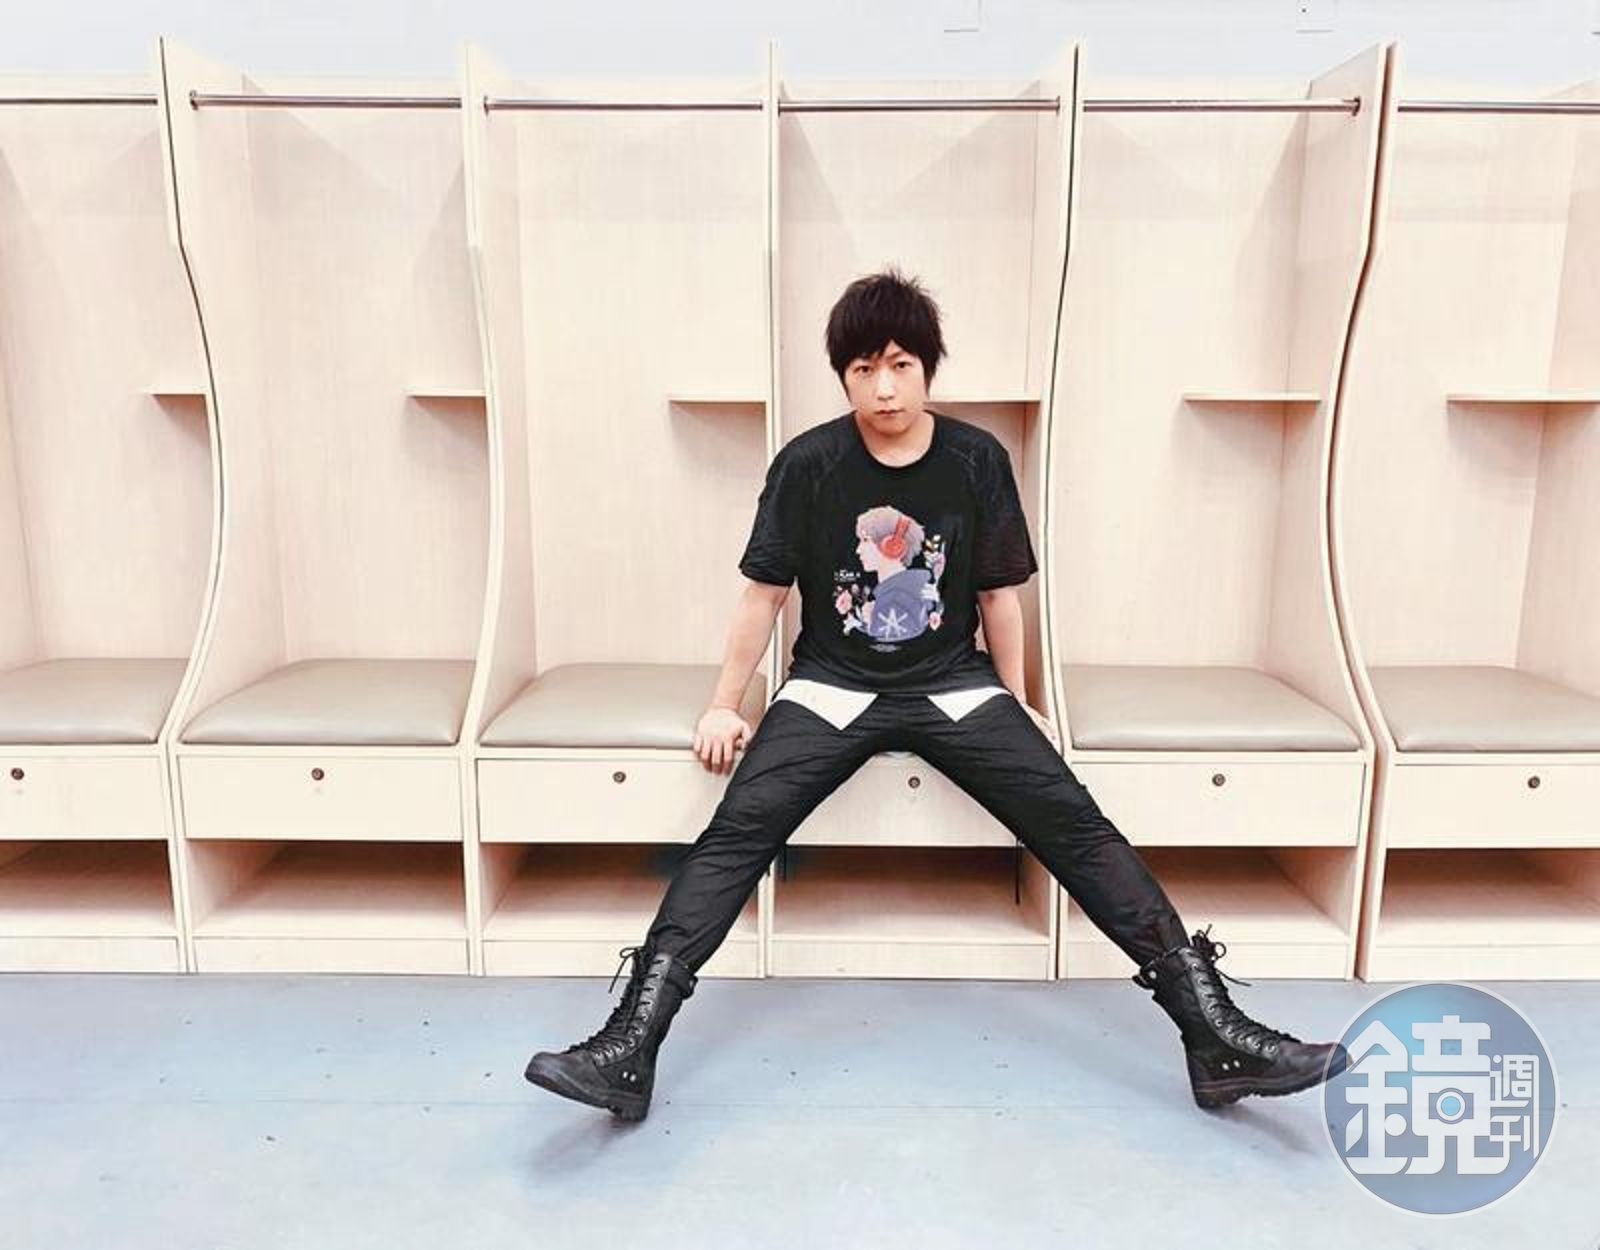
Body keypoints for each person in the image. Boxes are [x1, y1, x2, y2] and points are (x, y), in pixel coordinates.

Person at [524, 269, 1349, 1121]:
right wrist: (725, 704)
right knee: (737, 832)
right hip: (831, 685)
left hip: (953, 683)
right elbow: (763, 597)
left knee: (1076, 824)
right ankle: (629, 1047)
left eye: (900, 366)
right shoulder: (808, 463)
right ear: (843, 377)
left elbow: (998, 596)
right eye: (863, 370)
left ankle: (1215, 1035)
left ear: (927, 368)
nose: (884, 387)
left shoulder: (975, 460)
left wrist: (1018, 702)